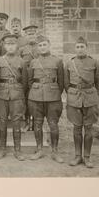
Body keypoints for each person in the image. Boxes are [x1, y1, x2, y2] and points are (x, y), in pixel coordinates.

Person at [64, 36, 99, 168]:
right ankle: (77, 156)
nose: (80, 49)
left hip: (90, 99)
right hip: (74, 99)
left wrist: (93, 94)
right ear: (74, 49)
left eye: (82, 47)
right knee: (76, 128)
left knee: (88, 129)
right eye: (77, 47)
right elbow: (66, 83)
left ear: (86, 48)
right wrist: (72, 94)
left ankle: (87, 157)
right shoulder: (70, 63)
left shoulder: (94, 62)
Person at [27, 35, 65, 163]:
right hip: (36, 97)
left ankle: (54, 151)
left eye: (44, 45)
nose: (42, 47)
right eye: (40, 45)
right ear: (37, 48)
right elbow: (29, 81)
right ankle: (39, 150)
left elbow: (61, 81)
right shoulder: (33, 62)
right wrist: (35, 92)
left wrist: (54, 92)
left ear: (49, 45)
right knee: (37, 124)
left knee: (53, 124)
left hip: (53, 97)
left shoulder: (57, 61)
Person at [0, 33, 28, 161]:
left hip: (17, 95)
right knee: (2, 121)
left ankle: (17, 150)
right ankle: (2, 149)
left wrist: (20, 94)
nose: (10, 46)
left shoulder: (22, 62)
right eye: (8, 44)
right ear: (4, 46)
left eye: (13, 44)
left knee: (16, 122)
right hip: (1, 94)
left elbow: (25, 82)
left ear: (17, 45)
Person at [19, 24, 39, 131]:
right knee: (26, 100)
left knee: (36, 101)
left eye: (33, 34)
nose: (31, 36)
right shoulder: (22, 49)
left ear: (36, 35)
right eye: (29, 34)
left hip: (37, 78)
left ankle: (36, 124)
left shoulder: (40, 47)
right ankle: (26, 122)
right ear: (25, 36)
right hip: (25, 78)